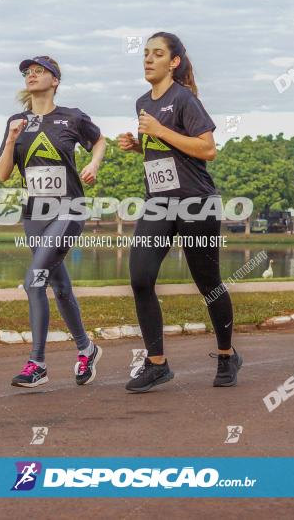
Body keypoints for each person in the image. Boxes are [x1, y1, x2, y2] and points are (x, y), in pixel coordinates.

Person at [118, 32, 241, 393]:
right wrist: (139, 144)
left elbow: (206, 149)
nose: (148, 59)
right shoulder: (143, 101)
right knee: (140, 278)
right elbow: (167, 149)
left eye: (157, 54)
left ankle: (226, 354)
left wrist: (156, 130)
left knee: (208, 285)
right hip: (158, 201)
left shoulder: (184, 98)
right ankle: (156, 364)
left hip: (195, 202)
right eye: (145, 54)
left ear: (174, 62)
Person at [0, 55, 107, 387]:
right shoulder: (16, 121)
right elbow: (3, 175)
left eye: (39, 71)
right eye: (28, 72)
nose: (31, 75)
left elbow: (99, 140)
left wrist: (94, 164)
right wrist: (13, 138)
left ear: (55, 80)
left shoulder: (71, 118)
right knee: (59, 287)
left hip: (69, 210)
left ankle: (38, 363)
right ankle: (87, 348)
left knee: (34, 281)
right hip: (34, 216)